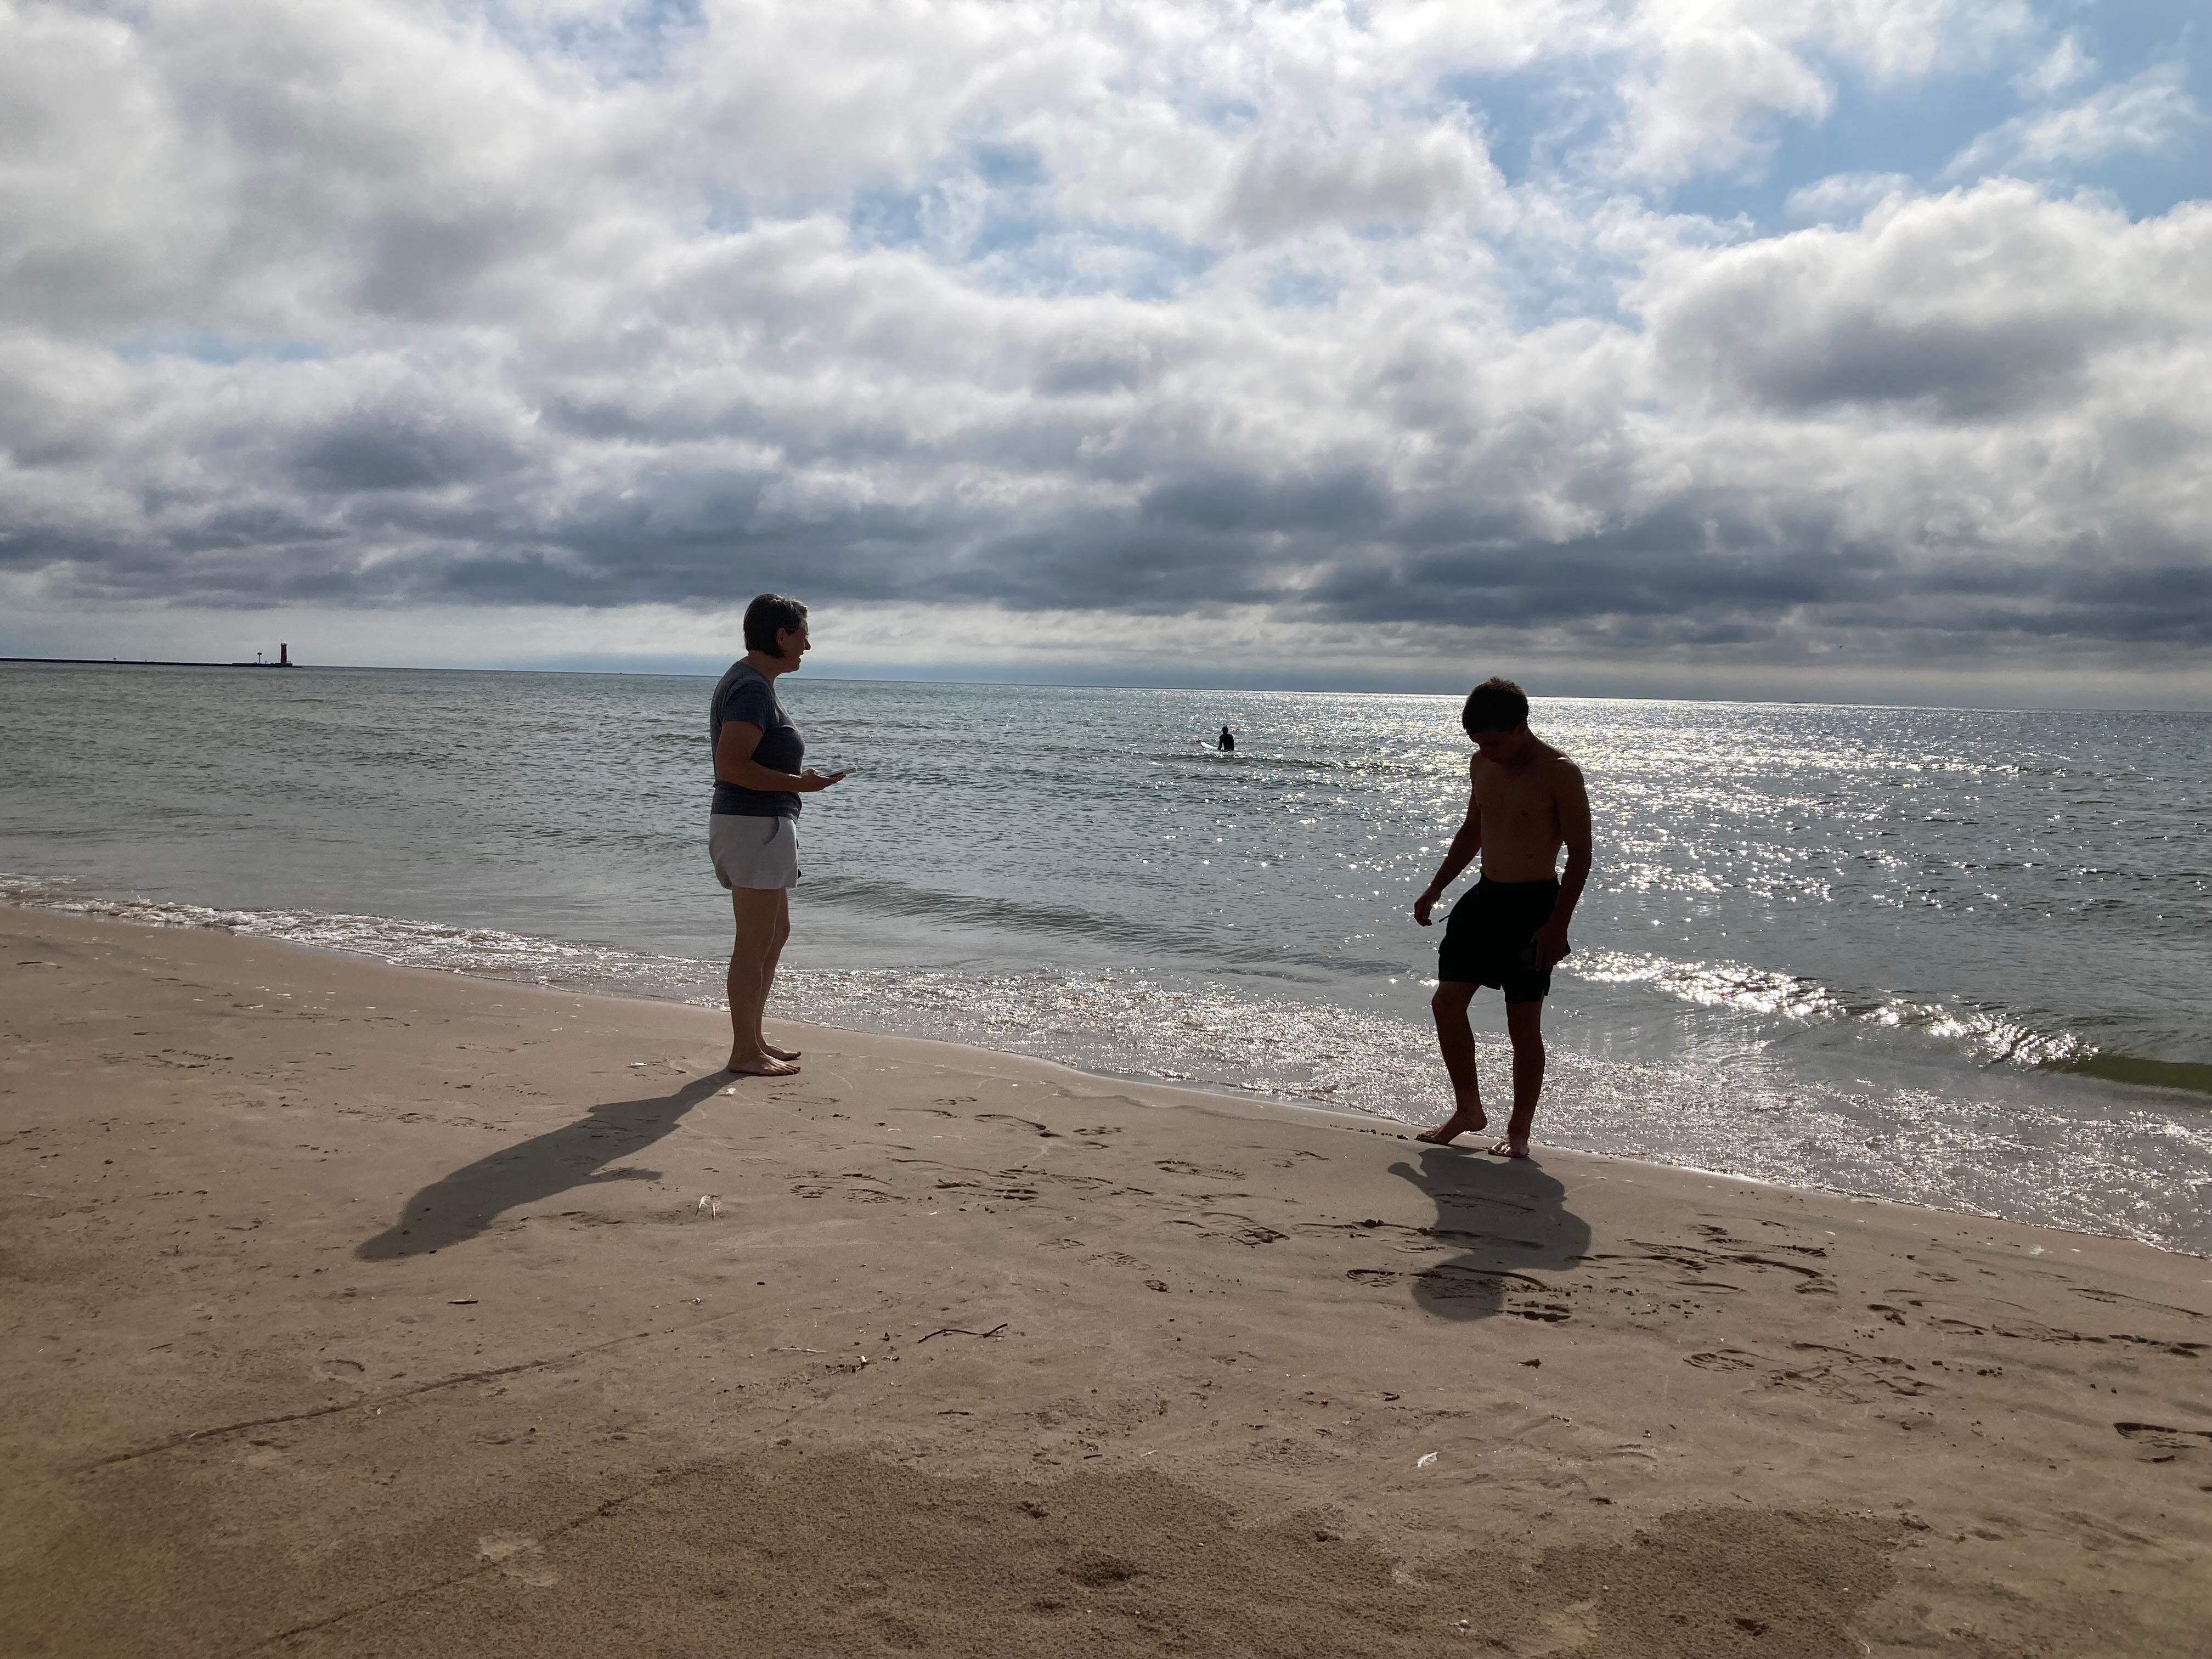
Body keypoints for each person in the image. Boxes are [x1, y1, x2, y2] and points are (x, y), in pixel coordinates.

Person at [1410, 677, 1590, 1157]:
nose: (1487, 753)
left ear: (1520, 727)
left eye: (1494, 742)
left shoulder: (1560, 773)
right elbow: (1474, 829)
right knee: (1446, 1005)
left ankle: (1518, 1132)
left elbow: (1581, 855)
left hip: (1534, 907)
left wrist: (1558, 924)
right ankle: (1468, 1109)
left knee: (1522, 1025)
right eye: (1478, 744)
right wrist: (1436, 886)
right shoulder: (1482, 765)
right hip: (1484, 900)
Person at [709, 594, 847, 1076]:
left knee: (775, 934)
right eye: (803, 634)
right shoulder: (750, 689)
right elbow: (731, 767)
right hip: (752, 827)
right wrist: (800, 784)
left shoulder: (753, 684)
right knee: (754, 940)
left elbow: (750, 762)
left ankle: (754, 1038)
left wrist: (796, 780)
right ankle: (743, 1052)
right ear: (781, 636)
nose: (808, 645)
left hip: (758, 826)